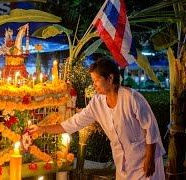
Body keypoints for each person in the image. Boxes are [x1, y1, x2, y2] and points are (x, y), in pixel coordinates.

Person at [29, 58, 166, 180]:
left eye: (96, 80)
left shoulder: (131, 98)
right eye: (93, 81)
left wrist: (149, 158)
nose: (94, 85)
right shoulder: (97, 102)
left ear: (110, 78)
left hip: (144, 160)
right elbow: (73, 123)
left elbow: (151, 128)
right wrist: (42, 129)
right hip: (123, 163)